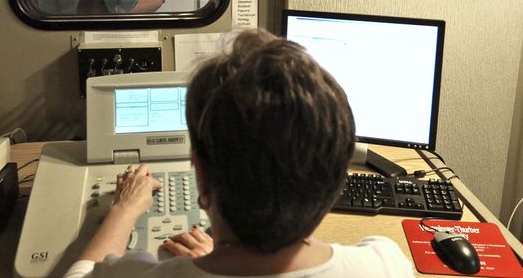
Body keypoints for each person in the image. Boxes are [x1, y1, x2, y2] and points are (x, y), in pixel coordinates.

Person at [64, 29, 414, 277]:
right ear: (339, 176)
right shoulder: (386, 263)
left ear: (199, 170)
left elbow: (81, 273)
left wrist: (124, 210)